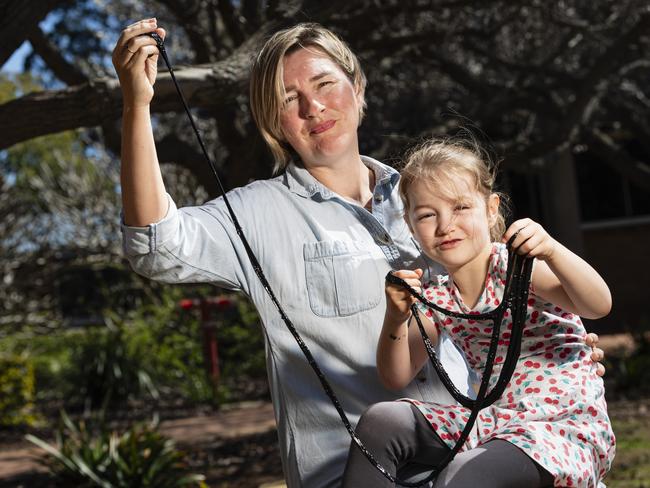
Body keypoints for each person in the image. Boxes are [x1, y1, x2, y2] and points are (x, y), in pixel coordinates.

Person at [111, 19, 605, 487]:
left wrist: (553, 362)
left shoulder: (426, 196)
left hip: (483, 448)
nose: (313, 107)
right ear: (274, 122)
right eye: (290, 98)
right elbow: (156, 244)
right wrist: (137, 104)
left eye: (325, 84)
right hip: (360, 471)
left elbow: (503, 305)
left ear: (358, 89)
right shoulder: (258, 212)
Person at [342, 139, 615, 488]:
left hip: (560, 426)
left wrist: (551, 250)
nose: (445, 225)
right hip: (493, 420)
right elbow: (394, 377)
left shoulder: (518, 268)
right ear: (411, 227)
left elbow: (598, 305)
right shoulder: (437, 295)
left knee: (462, 476)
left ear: (490, 209)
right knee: (381, 422)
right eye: (426, 214)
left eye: (460, 208)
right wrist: (396, 316)